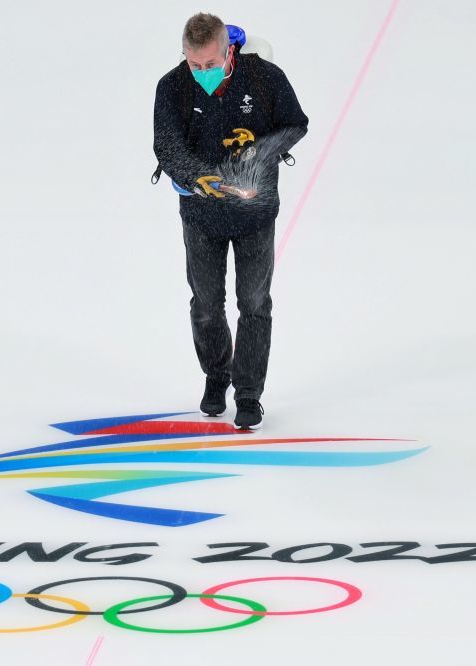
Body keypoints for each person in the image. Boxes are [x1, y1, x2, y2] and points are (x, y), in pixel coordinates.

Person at [153, 12, 308, 430]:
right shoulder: (172, 87)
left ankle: (248, 393)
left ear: (229, 52)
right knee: (206, 306)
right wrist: (195, 177)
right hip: (201, 215)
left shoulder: (264, 78)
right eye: (194, 64)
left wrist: (258, 155)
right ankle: (217, 374)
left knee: (254, 303)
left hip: (255, 213)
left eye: (210, 63)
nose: (201, 72)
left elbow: (296, 124)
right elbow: (167, 145)